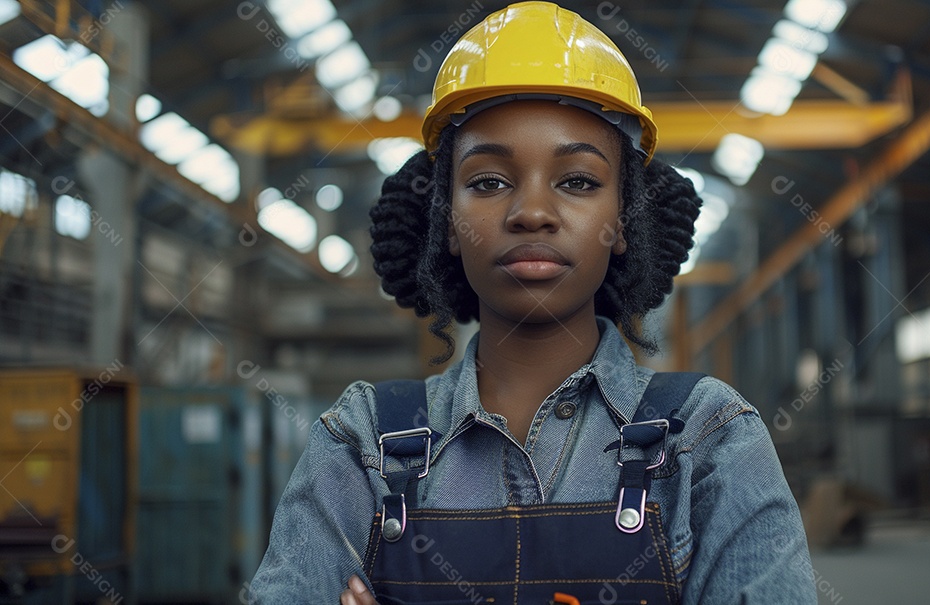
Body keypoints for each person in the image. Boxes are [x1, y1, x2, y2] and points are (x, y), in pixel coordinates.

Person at [249, 2, 815, 603]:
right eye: (488, 182)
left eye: (577, 181)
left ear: (622, 220)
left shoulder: (708, 439)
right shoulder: (361, 443)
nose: (532, 213)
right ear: (446, 221)